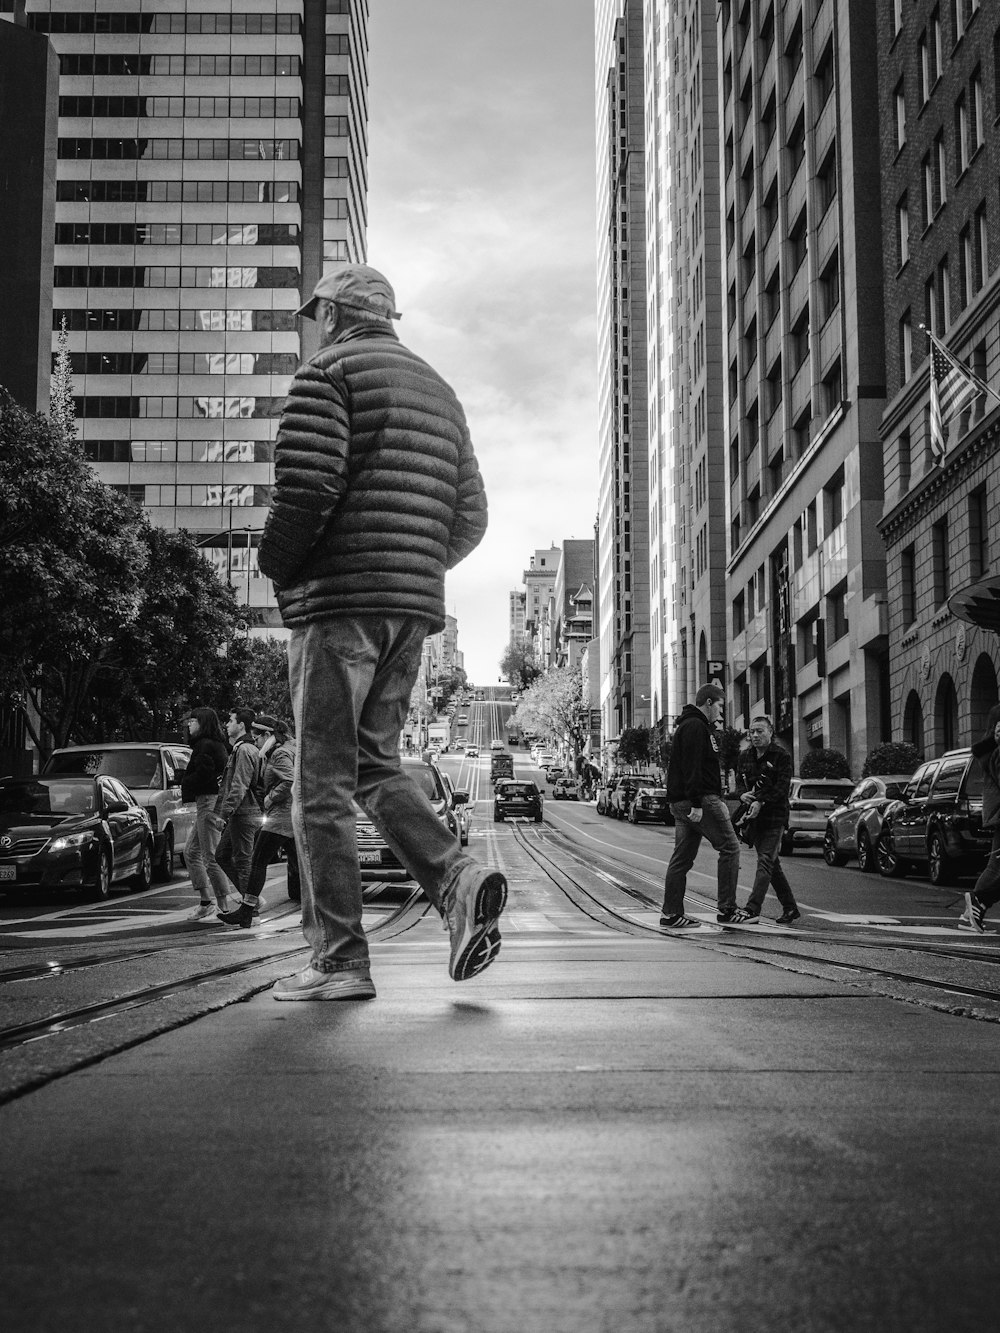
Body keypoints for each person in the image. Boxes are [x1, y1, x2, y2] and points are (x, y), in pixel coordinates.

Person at [257, 262, 505, 1001]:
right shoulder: (440, 392)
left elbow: (305, 488)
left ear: (334, 314)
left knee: (319, 780)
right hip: (411, 614)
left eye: (317, 314)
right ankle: (457, 879)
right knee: (375, 763)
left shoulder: (325, 375)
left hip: (338, 606)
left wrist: (281, 569)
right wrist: (412, 567)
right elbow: (472, 517)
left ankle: (338, 960)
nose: (314, 326)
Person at [660, 683, 752, 930]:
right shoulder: (695, 727)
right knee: (730, 848)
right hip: (698, 800)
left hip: (684, 801)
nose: (721, 713)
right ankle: (728, 909)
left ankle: (671, 914)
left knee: (682, 858)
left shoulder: (692, 726)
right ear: (709, 703)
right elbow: (693, 767)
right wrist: (698, 803)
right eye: (720, 706)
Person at [218, 715, 300, 928]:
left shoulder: (280, 753)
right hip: (290, 816)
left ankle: (247, 911)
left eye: (257, 738)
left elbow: (290, 781)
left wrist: (269, 798)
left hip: (281, 817)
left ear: (268, 735)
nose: (255, 742)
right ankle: (315, 909)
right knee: (300, 865)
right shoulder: (291, 748)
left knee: (258, 861)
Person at [735, 715, 800, 925]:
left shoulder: (782, 756)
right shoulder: (745, 756)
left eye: (760, 731)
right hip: (754, 819)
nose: (755, 735)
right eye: (752, 731)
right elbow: (740, 783)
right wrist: (742, 795)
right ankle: (790, 908)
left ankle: (753, 909)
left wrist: (761, 802)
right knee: (772, 864)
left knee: (764, 861)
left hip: (774, 816)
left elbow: (781, 788)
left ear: (770, 732)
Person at [180, 708, 231, 919]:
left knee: (211, 855)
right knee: (191, 852)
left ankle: (223, 906)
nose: (189, 725)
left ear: (203, 723)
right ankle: (205, 902)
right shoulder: (215, 744)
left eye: (193, 721)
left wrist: (184, 781)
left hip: (209, 802)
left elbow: (204, 775)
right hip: (207, 801)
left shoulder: (205, 746)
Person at [210, 708, 262, 908]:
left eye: (231, 721)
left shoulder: (244, 750)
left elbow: (238, 785)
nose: (227, 724)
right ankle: (252, 899)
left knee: (242, 861)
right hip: (241, 813)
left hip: (245, 812)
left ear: (241, 725)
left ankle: (251, 910)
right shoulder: (240, 748)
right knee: (222, 855)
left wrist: (224, 813)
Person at [960, 702, 1000, 934]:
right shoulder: (995, 753)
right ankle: (975, 904)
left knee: (996, 867)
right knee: (996, 868)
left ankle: (974, 908)